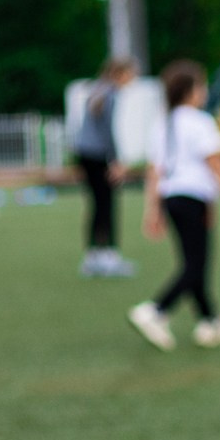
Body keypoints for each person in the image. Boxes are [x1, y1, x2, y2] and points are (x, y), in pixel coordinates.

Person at [129, 60, 220, 351]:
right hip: (193, 196)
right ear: (190, 90)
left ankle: (210, 320)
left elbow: (155, 171)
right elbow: (215, 163)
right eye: (202, 85)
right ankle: (156, 310)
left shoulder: (163, 123)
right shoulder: (200, 122)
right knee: (196, 264)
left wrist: (152, 209)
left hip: (172, 198)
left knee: (193, 262)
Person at [74, 58, 137, 278]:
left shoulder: (97, 89)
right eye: (131, 73)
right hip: (98, 154)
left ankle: (93, 257)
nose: (133, 78)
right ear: (120, 73)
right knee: (107, 204)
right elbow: (107, 130)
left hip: (84, 153)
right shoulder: (110, 93)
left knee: (97, 204)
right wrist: (115, 160)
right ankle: (109, 256)